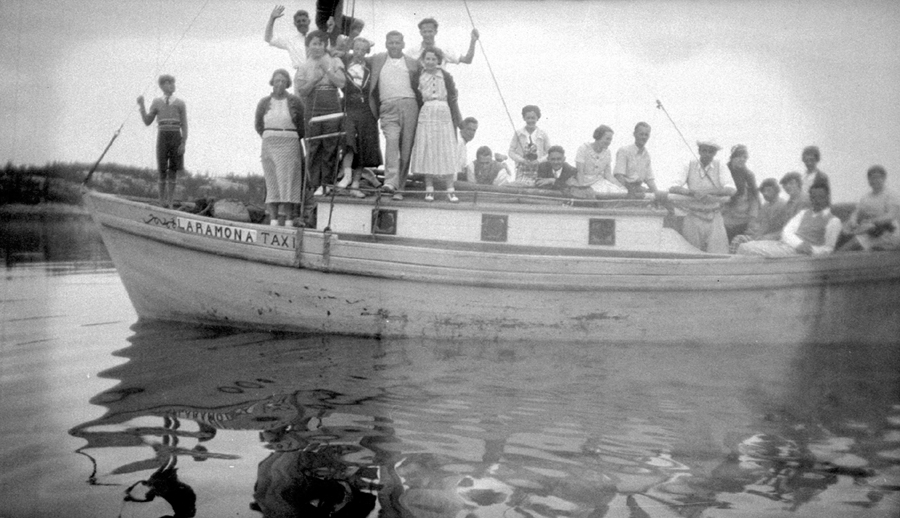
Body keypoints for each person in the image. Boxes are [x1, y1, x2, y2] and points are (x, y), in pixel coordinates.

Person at [367, 31, 420, 200]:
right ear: (386, 44)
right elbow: (356, 56)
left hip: (409, 104)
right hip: (387, 106)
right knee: (391, 142)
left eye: (398, 43)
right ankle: (390, 182)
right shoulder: (377, 60)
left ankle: (400, 187)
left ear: (403, 44)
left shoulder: (412, 62)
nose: (394, 46)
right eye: (391, 42)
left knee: (406, 148)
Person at [295, 30, 345, 196]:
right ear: (308, 46)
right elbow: (301, 91)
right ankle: (315, 184)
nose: (317, 47)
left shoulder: (334, 59)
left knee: (330, 146)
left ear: (325, 45)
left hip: (332, 105)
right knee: (314, 146)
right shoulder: (303, 65)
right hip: (312, 108)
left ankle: (328, 183)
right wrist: (314, 80)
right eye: (314, 43)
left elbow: (341, 83)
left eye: (320, 43)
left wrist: (328, 70)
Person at [737, 180, 841, 257]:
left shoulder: (833, 221)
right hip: (786, 245)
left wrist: (810, 250)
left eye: (820, 197)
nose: (816, 200)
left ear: (827, 197)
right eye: (813, 197)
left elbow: (828, 249)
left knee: (746, 248)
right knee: (744, 245)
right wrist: (798, 244)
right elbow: (787, 231)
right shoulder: (803, 213)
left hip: (800, 253)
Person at [410, 48, 462, 202]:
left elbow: (453, 97)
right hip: (427, 111)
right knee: (428, 147)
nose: (430, 62)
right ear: (423, 60)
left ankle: (450, 188)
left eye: (433, 59)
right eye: (427, 59)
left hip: (443, 111)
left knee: (445, 148)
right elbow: (417, 95)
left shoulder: (445, 76)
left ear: (438, 61)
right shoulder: (418, 76)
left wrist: (458, 120)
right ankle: (429, 188)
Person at [668, 139, 736, 254]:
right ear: (699, 151)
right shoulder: (688, 165)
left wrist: (708, 192)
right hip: (693, 215)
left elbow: (731, 190)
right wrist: (692, 193)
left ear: (714, 153)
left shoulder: (720, 166)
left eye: (710, 151)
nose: (707, 154)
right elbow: (673, 187)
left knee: (719, 253)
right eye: (704, 150)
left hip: (714, 216)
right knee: (690, 253)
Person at [255, 69, 305, 226]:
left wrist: (289, 135)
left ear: (287, 83)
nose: (280, 84)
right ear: (272, 82)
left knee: (289, 180)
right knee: (272, 181)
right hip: (270, 143)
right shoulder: (264, 102)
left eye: (283, 81)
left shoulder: (295, 102)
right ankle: (273, 219)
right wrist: (269, 135)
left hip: (289, 142)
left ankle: (289, 220)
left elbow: (301, 126)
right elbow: (258, 124)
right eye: (277, 80)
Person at [335, 38, 382, 198]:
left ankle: (355, 185)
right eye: (357, 49)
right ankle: (347, 176)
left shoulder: (370, 66)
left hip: (366, 111)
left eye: (363, 50)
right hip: (349, 108)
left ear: (367, 52)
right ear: (352, 49)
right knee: (349, 143)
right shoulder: (344, 62)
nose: (359, 53)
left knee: (363, 147)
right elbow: (333, 50)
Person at [137, 74, 187, 208]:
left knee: (173, 170)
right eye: (169, 83)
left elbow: (184, 125)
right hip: (162, 136)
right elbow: (147, 121)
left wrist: (183, 143)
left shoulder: (180, 103)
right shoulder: (156, 102)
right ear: (162, 86)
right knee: (162, 169)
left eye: (173, 83)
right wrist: (142, 105)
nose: (172, 85)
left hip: (176, 136)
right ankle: (161, 202)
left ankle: (170, 203)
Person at [839, 165, 900, 251]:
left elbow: (891, 215)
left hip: (888, 233)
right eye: (871, 178)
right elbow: (857, 212)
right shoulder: (865, 197)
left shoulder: (891, 195)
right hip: (869, 232)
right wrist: (853, 221)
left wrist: (871, 221)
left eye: (877, 177)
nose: (874, 180)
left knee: (851, 246)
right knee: (844, 234)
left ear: (884, 178)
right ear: (868, 180)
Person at [729, 177, 789, 252]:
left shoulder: (782, 205)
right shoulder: (766, 205)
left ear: (776, 191)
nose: (765, 193)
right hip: (761, 235)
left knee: (739, 241)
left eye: (769, 190)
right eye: (763, 191)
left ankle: (735, 261)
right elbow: (760, 222)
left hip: (773, 237)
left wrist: (761, 235)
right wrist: (753, 230)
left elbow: (782, 228)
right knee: (738, 239)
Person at [721, 145, 760, 241]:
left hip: (743, 222)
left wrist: (752, 220)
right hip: (723, 222)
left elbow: (754, 199)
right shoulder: (722, 173)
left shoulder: (749, 176)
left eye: (745, 157)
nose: (742, 159)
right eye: (739, 156)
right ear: (733, 157)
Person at [405, 17, 479, 65]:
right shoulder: (411, 52)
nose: (427, 35)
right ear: (420, 33)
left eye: (430, 31)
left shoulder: (444, 49)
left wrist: (473, 41)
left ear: (435, 32)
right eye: (425, 32)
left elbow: (467, 60)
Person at [575, 125, 625, 195]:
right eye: (607, 139)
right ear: (598, 137)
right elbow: (580, 172)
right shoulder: (583, 149)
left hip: (599, 182)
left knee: (620, 191)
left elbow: (608, 174)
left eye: (610, 139)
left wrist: (620, 186)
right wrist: (581, 190)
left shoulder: (607, 152)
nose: (609, 142)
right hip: (584, 182)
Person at [508, 105, 550, 186]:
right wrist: (522, 160)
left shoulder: (543, 134)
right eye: (528, 118)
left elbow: (549, 153)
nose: (530, 120)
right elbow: (511, 152)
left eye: (533, 118)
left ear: (537, 118)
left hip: (539, 169)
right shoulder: (518, 133)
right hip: (521, 169)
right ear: (524, 118)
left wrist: (538, 161)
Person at [613, 122, 657, 196]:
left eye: (646, 135)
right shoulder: (624, 151)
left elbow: (649, 179)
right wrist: (632, 190)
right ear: (634, 134)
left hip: (638, 189)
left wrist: (657, 193)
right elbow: (618, 176)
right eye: (641, 134)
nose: (644, 137)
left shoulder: (646, 155)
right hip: (623, 189)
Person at [264, 5, 311, 70]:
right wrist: (272, 19)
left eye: (304, 20)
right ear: (295, 24)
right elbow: (268, 38)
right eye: (298, 21)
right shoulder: (291, 41)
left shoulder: (319, 37)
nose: (301, 23)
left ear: (309, 21)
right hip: (301, 75)